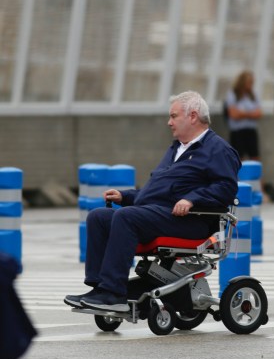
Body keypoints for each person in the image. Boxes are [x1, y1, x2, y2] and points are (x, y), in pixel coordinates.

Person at [64, 91, 241, 312]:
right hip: (160, 213)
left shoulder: (218, 150)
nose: (169, 122)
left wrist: (192, 199)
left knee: (126, 217)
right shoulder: (176, 148)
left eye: (174, 116)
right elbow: (158, 191)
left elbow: (226, 188)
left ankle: (114, 293)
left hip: (190, 220)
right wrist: (126, 196)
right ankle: (100, 288)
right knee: (98, 217)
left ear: (193, 116)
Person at [226, 70, 263, 161]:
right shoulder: (232, 94)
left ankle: (254, 175)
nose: (251, 85)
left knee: (255, 158)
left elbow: (259, 113)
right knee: (238, 159)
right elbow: (233, 114)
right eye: (249, 82)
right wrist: (251, 113)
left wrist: (243, 113)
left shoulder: (253, 95)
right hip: (237, 132)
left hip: (250, 131)